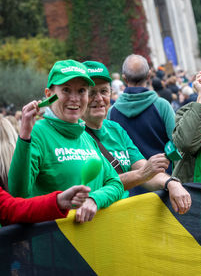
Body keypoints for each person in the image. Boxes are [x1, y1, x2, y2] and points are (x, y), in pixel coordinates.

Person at [8, 60, 124, 223]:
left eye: (81, 90)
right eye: (66, 90)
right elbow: (17, 194)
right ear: (49, 95)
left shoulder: (85, 135)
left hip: (93, 244)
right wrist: (25, 136)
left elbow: (115, 183)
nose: (75, 99)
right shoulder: (38, 133)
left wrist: (94, 199)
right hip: (55, 244)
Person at [82, 61, 191, 213]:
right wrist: (142, 174)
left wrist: (172, 183)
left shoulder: (116, 129)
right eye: (91, 93)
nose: (99, 98)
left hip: (129, 219)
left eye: (104, 91)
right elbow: (95, 186)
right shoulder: (74, 135)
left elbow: (146, 170)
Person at [108, 55, 175, 171]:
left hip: (130, 183)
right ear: (149, 76)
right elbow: (177, 142)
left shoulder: (112, 112)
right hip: (164, 179)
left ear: (124, 78)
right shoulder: (162, 105)